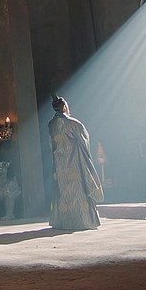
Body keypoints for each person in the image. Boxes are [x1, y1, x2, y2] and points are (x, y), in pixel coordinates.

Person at [48, 95, 104, 230]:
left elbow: (52, 144)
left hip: (59, 165)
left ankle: (63, 221)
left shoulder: (51, 125)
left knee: (63, 192)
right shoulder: (74, 123)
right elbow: (84, 142)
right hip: (75, 163)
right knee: (78, 191)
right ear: (64, 107)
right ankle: (82, 221)